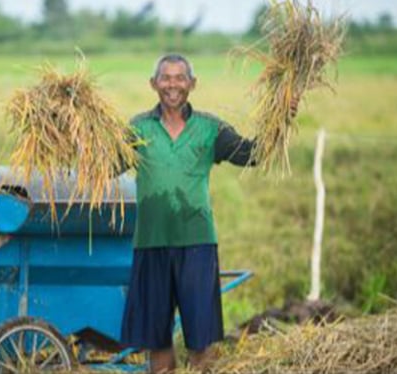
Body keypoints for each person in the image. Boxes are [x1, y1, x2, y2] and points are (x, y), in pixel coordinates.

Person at [120, 54, 299, 373]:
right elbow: (105, 162)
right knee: (157, 342)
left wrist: (281, 117)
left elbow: (251, 154)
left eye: (179, 78)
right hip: (150, 245)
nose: (172, 85)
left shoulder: (210, 129)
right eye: (165, 78)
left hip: (197, 245)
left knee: (201, 342)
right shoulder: (137, 129)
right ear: (153, 84)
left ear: (192, 84)